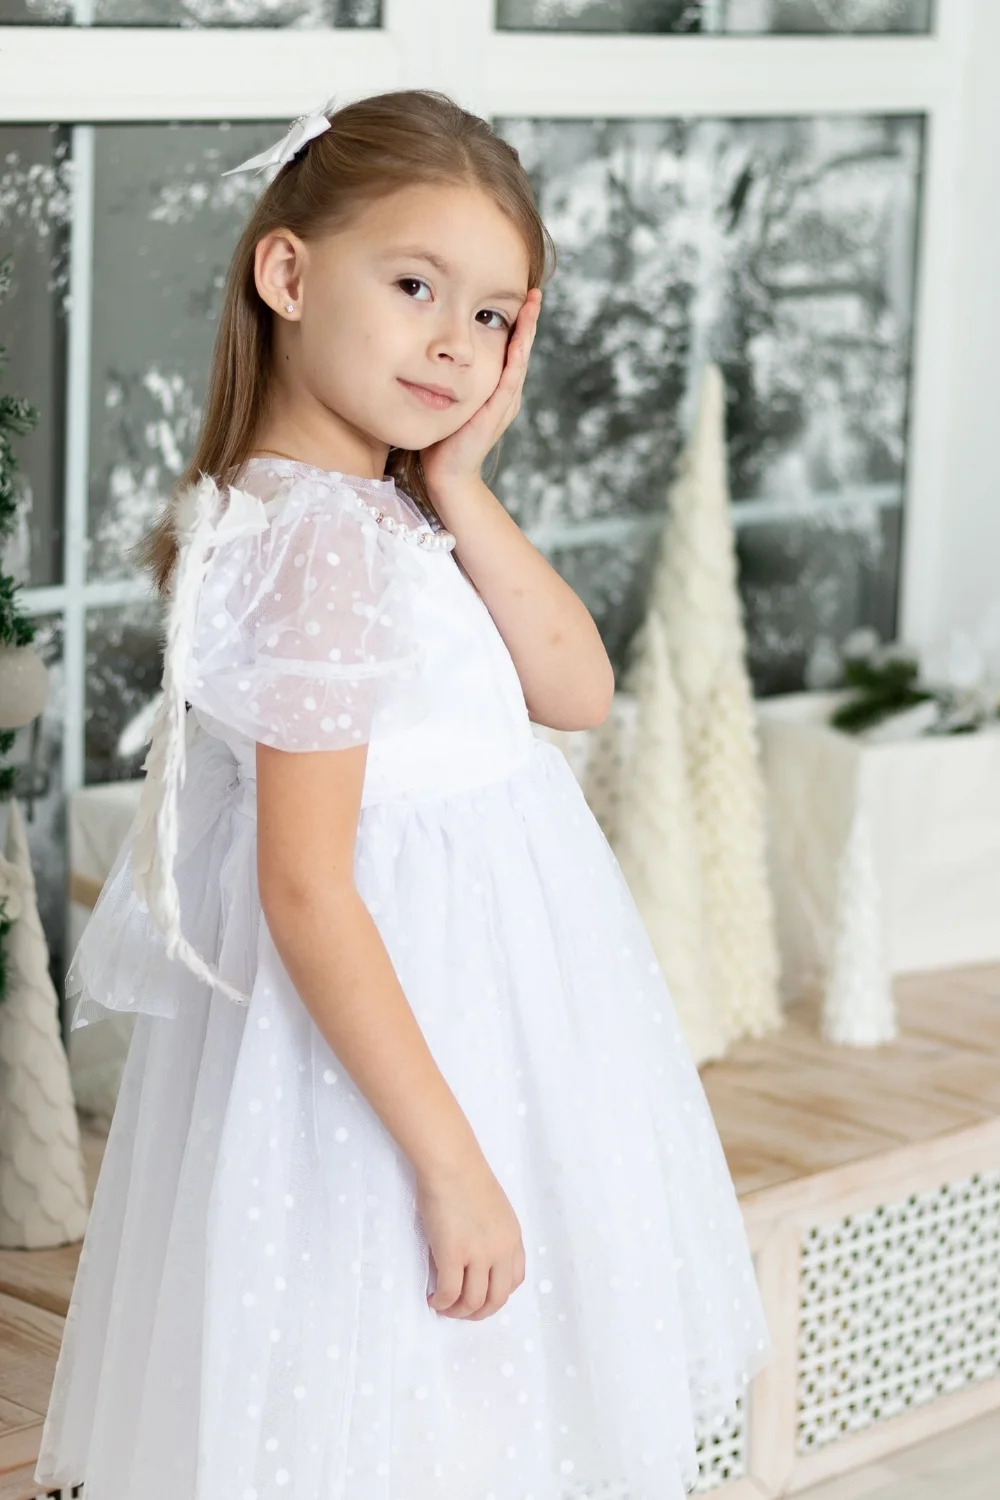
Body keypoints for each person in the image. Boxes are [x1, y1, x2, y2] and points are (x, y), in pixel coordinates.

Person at [35, 88, 770, 1500]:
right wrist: (453, 1164)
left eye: (492, 315)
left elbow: (577, 688)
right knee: (424, 1408)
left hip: (465, 1027)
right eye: (416, 285)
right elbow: (306, 888)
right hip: (403, 1069)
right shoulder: (317, 545)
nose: (455, 342)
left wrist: (462, 479)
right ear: (288, 272)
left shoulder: (368, 512)